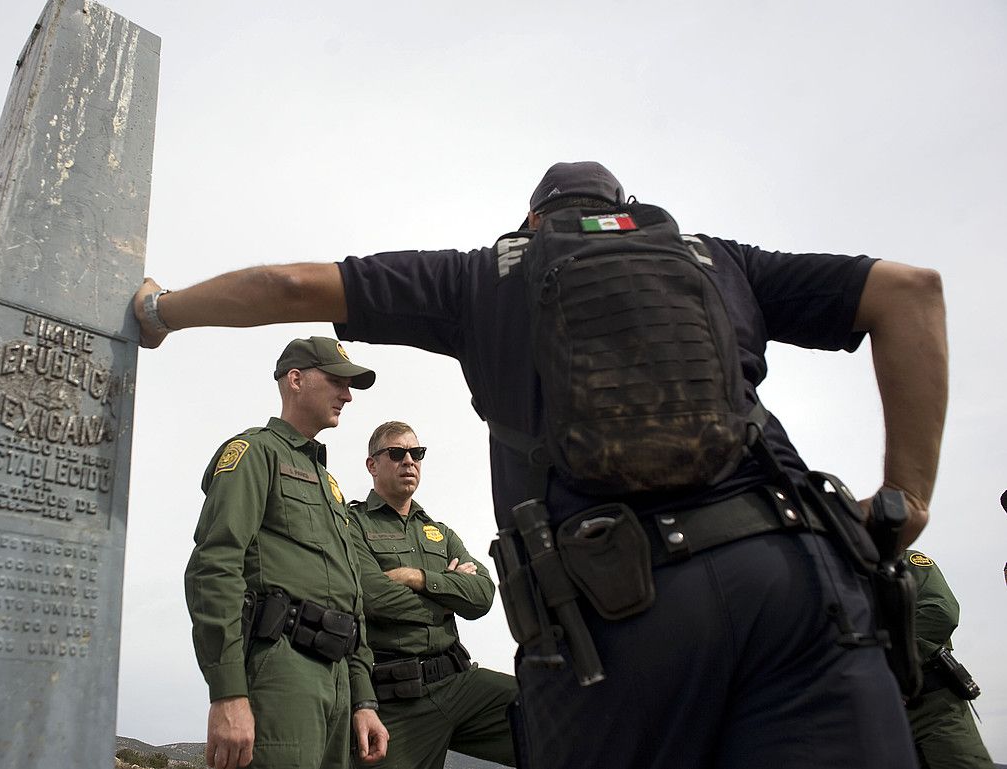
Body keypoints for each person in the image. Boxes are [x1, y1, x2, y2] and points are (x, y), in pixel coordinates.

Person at [136, 161, 948, 769]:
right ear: (625, 211)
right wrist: (905, 498)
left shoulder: (484, 275)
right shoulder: (715, 258)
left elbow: (285, 283)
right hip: (798, 584)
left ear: (530, 220)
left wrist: (162, 311)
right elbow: (910, 292)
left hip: (614, 618)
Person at [184, 336, 389, 769]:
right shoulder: (256, 453)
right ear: (295, 379)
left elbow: (350, 596)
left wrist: (363, 699)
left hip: (337, 682)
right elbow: (214, 566)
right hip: (282, 671)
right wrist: (228, 691)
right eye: (336, 381)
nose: (347, 395)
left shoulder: (330, 485)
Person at [349, 420, 517, 769]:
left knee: (553, 708)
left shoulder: (440, 533)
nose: (409, 461)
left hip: (460, 684)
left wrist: (419, 577)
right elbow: (371, 595)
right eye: (397, 453)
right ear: (372, 464)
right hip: (398, 701)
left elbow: (483, 595)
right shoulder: (352, 525)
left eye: (417, 453)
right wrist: (448, 595)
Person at [902, 551, 993, 769]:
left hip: (932, 705)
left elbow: (940, 612)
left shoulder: (904, 562)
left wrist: (885, 667)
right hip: (872, 715)